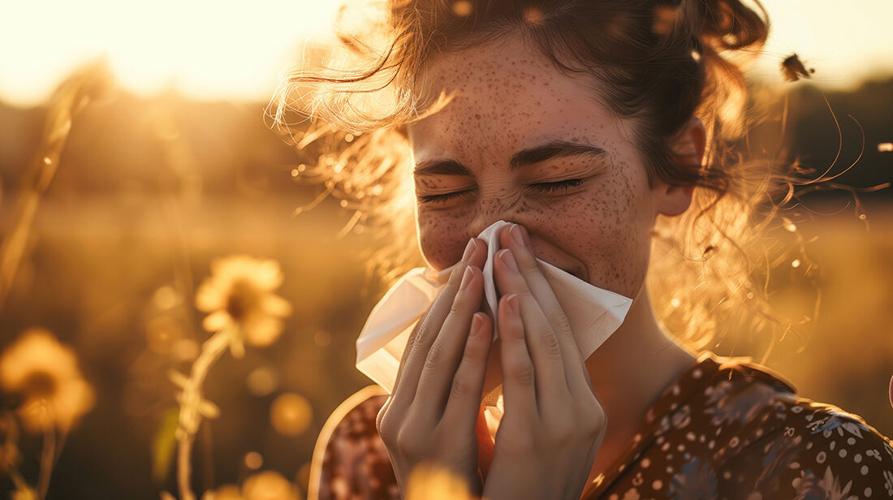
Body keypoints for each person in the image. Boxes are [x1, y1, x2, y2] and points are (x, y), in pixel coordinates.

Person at [272, 0, 893, 498]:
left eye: (556, 181)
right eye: (444, 192)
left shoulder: (805, 469)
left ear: (677, 166)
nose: (493, 242)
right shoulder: (377, 447)